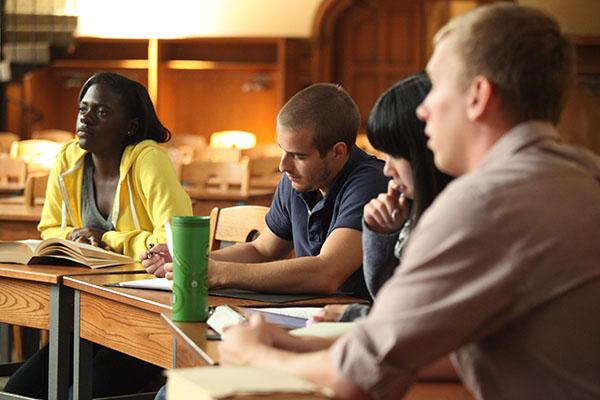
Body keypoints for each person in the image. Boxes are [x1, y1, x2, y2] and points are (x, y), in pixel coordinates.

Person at [218, 4, 600, 400]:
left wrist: (256, 354)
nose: (423, 109)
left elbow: (360, 376)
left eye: (436, 86)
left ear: (478, 97)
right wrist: (299, 344)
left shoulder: (481, 203)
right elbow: (462, 351)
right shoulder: (584, 175)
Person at [5, 72, 193, 399]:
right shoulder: (67, 158)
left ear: (130, 127)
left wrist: (109, 240)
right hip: (87, 313)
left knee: (84, 391)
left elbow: (176, 240)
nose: (86, 118)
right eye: (83, 109)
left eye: (102, 112)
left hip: (146, 317)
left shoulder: (148, 159)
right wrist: (74, 238)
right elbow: (49, 228)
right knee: (21, 390)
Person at [143, 83, 389, 298]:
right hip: (311, 316)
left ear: (338, 152)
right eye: (283, 150)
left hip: (359, 329)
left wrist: (220, 274)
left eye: (298, 155)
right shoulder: (297, 179)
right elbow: (261, 250)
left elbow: (326, 273)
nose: (283, 166)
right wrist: (187, 262)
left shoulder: (371, 183)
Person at [312, 73, 452, 323]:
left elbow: (419, 319)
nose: (387, 170)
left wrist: (353, 315)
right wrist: (381, 235)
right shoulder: (413, 211)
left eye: (395, 156)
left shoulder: (455, 217)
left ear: (425, 152)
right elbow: (391, 301)